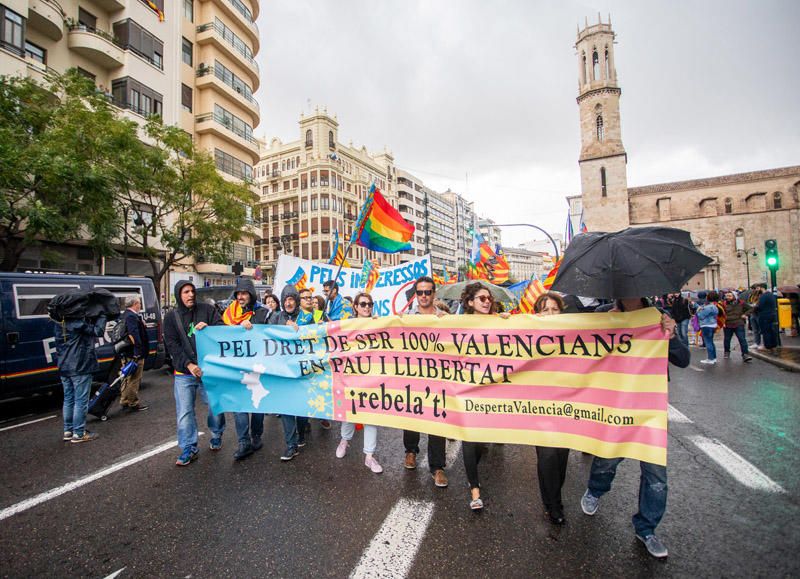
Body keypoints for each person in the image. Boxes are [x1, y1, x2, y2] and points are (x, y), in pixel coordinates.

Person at [580, 296, 690, 559]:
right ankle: (596, 490)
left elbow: (683, 359)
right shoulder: (605, 314)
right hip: (616, 405)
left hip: (649, 409)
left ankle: (646, 528)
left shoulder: (659, 317)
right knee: (607, 460)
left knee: (656, 476)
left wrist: (671, 335)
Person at [459, 282, 510, 510]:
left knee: (480, 442)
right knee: (469, 439)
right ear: (470, 302)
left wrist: (513, 323)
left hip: (492, 392)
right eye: (481, 298)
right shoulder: (458, 324)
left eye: (488, 298)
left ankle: (474, 471)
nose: (487, 301)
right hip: (467, 391)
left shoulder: (500, 321)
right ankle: (474, 488)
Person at [164, 280, 226, 466]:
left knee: (215, 406)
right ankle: (189, 447)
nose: (190, 295)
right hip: (184, 372)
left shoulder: (206, 310)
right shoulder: (171, 317)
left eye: (192, 291)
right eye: (185, 292)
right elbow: (172, 346)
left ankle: (216, 434)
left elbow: (222, 330)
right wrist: (189, 365)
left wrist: (210, 329)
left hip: (208, 370)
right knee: (184, 411)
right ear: (178, 295)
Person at [401, 276, 449, 488]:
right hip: (413, 377)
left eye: (427, 292)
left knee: (436, 418)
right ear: (415, 295)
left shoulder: (445, 318)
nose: (423, 296)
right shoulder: (405, 318)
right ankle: (410, 451)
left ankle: (437, 467)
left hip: (438, 378)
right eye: (419, 292)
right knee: (411, 416)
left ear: (433, 294)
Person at [334, 291, 383, 474]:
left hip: (371, 379)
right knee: (350, 412)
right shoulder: (347, 326)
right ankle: (344, 441)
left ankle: (369, 456)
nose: (367, 307)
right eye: (363, 304)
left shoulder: (378, 324)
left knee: (371, 416)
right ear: (355, 307)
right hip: (351, 378)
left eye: (370, 304)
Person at [532, 292, 569, 525]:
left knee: (561, 457)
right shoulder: (528, 333)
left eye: (555, 309)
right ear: (537, 313)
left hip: (567, 405)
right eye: (545, 310)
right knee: (546, 455)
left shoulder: (572, 335)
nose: (550, 314)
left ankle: (555, 497)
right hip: (539, 406)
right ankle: (552, 504)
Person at [222, 279, 265, 461]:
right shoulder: (228, 313)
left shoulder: (261, 313)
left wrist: (252, 324)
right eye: (238, 294)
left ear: (251, 295)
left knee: (256, 403)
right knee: (238, 404)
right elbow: (219, 332)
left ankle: (256, 435)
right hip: (236, 366)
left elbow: (268, 332)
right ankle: (243, 442)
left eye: (244, 294)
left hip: (255, 366)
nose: (240, 297)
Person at [53, 313, 107, 443]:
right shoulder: (78, 323)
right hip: (80, 365)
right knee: (80, 400)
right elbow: (98, 331)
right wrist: (102, 316)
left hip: (64, 365)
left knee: (68, 399)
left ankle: (68, 430)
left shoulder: (59, 323)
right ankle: (79, 433)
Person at [119, 297, 150, 412]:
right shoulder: (131, 317)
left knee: (126, 377)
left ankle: (124, 400)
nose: (140, 305)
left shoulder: (126, 315)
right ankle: (133, 403)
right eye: (139, 303)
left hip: (127, 352)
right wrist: (138, 353)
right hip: (133, 353)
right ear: (135, 304)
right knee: (134, 378)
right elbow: (134, 335)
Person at [722, 291, 753, 362]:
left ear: (734, 296)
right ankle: (727, 352)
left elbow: (751, 308)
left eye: (730, 296)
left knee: (742, 339)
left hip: (739, 323)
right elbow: (720, 313)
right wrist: (722, 321)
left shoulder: (741, 303)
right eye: (727, 296)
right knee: (727, 339)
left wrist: (745, 314)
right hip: (728, 324)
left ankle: (745, 354)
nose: (728, 297)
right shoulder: (724, 304)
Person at [697, 291, 720, 364]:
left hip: (706, 325)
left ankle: (710, 359)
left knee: (708, 342)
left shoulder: (708, 307)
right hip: (713, 325)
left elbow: (701, 316)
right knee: (711, 342)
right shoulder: (715, 306)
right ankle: (714, 357)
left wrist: (698, 311)